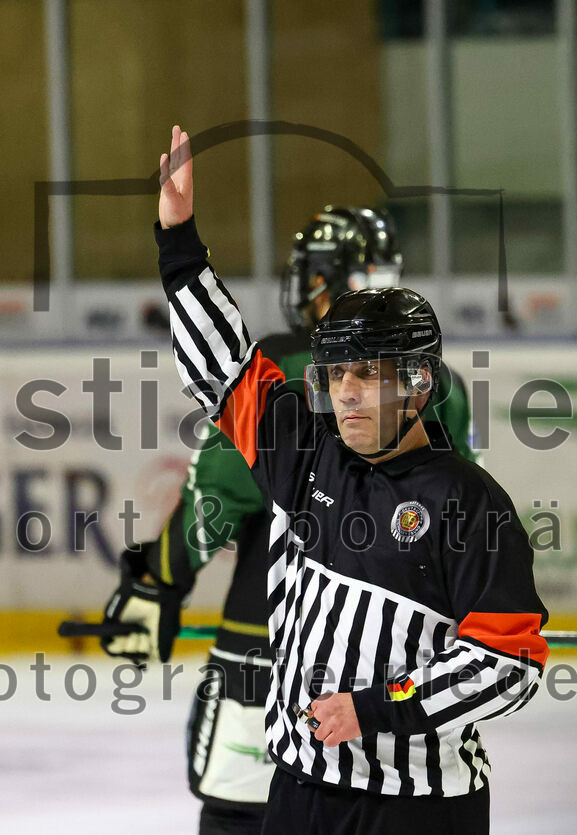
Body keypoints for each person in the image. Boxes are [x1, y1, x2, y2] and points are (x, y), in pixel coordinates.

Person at [149, 126, 548, 834]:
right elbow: (225, 368)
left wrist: (378, 707)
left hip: (418, 808)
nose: (349, 393)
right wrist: (179, 243)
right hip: (299, 791)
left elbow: (508, 664)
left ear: (418, 382)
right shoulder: (309, 457)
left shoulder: (469, 503)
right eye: (336, 375)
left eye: (369, 373)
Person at [100, 198, 478, 835]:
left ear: (330, 278)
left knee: (242, 817)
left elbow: (218, 499)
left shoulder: (286, 364)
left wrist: (157, 580)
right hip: (401, 674)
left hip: (271, 650)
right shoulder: (444, 385)